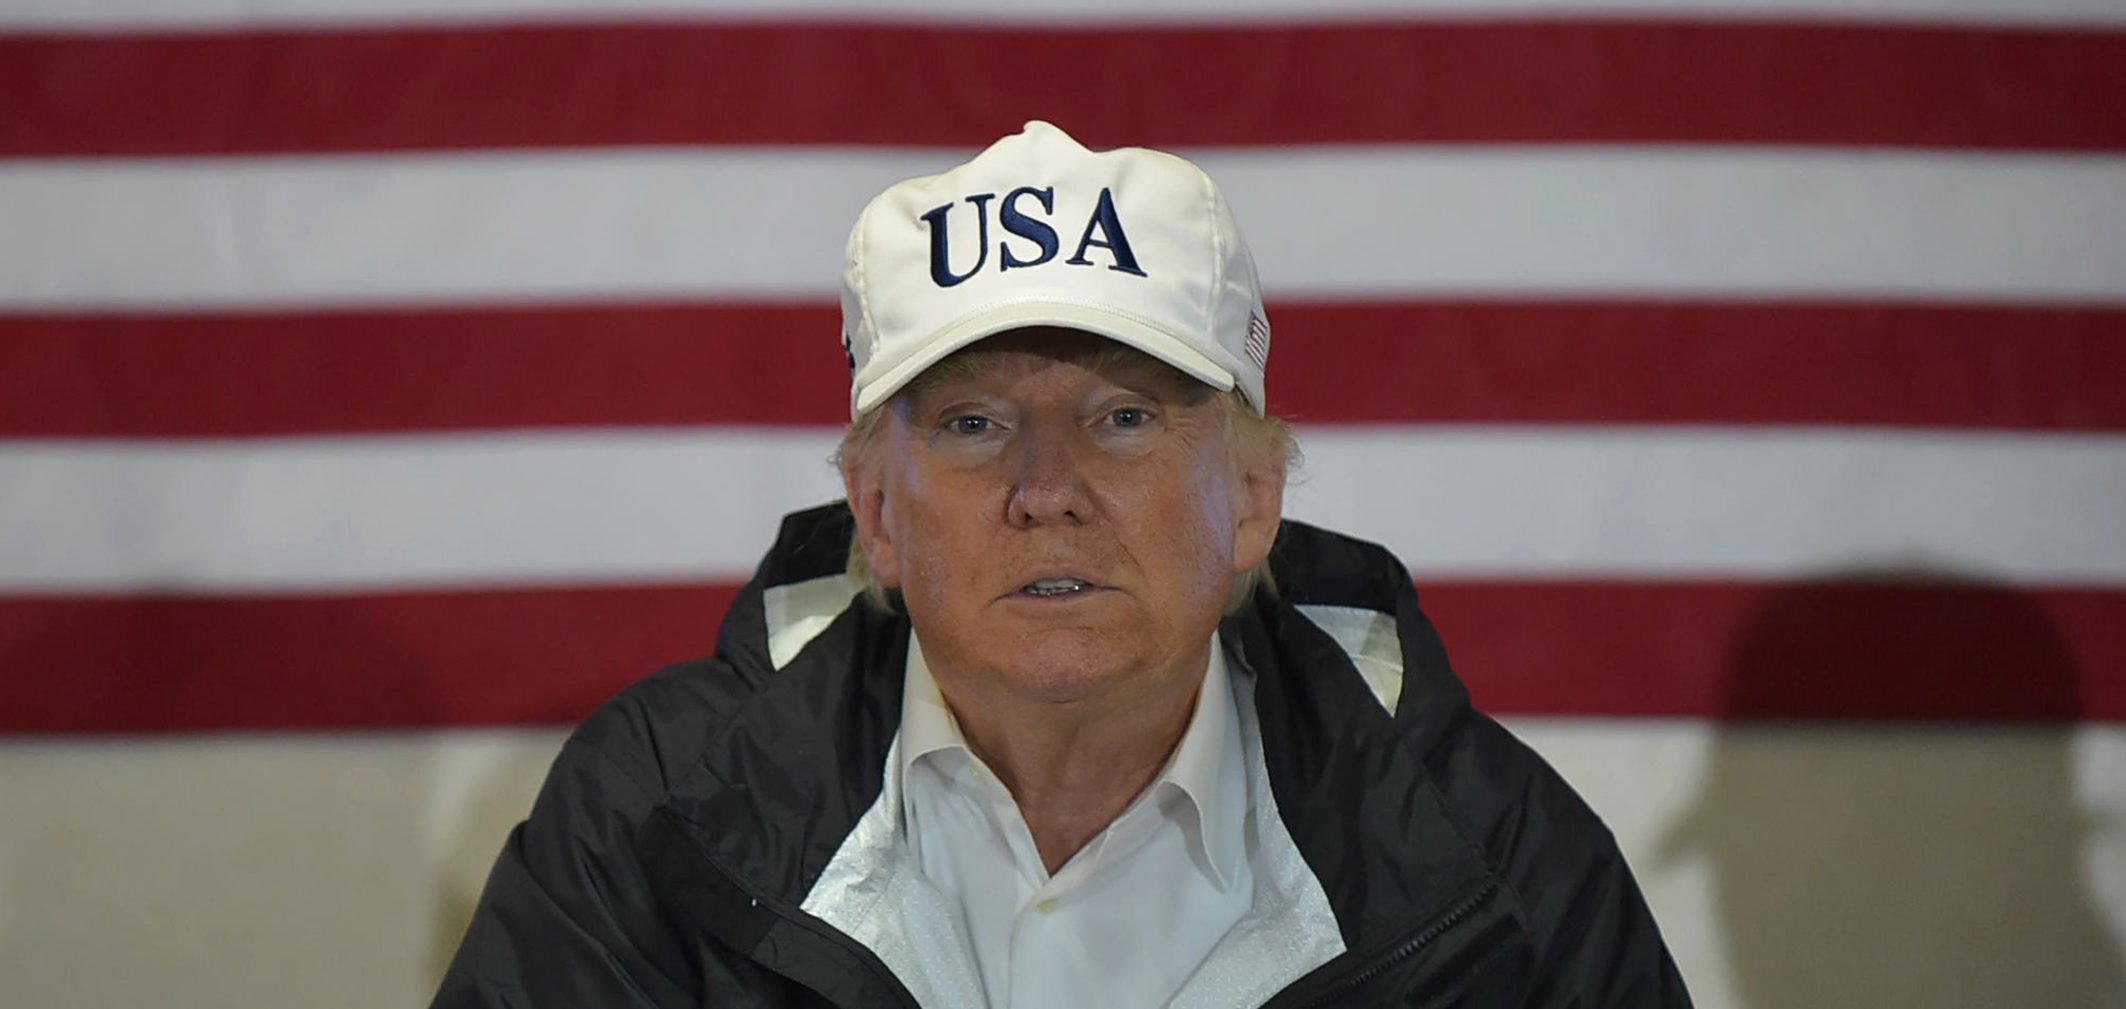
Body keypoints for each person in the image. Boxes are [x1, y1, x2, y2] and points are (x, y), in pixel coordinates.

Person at [433, 121, 1691, 1008]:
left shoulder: (1483, 842)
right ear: (876, 513)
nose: (1046, 490)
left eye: (1123, 417)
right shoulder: (652, 810)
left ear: (1254, 499)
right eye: (973, 423)